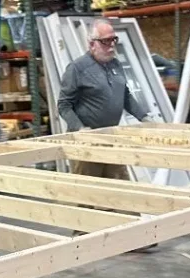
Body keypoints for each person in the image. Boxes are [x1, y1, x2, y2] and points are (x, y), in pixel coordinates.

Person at [56, 20, 157, 251]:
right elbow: (63, 105)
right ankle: (83, 239)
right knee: (88, 190)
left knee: (121, 187)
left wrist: (145, 118)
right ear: (92, 44)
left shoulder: (115, 65)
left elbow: (127, 96)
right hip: (86, 141)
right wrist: (80, 129)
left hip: (111, 138)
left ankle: (131, 236)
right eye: (106, 41)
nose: (111, 45)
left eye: (114, 40)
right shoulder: (77, 69)